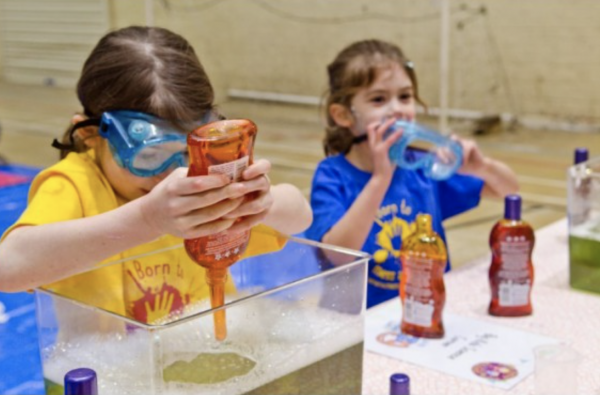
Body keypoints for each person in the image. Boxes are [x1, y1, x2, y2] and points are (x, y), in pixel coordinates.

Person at [0, 26, 312, 323]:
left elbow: (301, 216)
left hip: (204, 357)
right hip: (108, 373)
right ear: (92, 135)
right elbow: (8, 268)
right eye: (150, 155)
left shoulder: (199, 184)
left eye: (188, 153)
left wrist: (259, 202)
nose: (171, 175)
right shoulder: (75, 184)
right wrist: (148, 220)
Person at [306, 39, 518, 308]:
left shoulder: (422, 167)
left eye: (405, 96)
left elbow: (509, 191)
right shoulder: (332, 175)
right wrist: (380, 179)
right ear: (344, 115)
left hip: (424, 312)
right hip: (358, 325)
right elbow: (339, 257)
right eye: (379, 99)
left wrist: (483, 167)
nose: (397, 108)